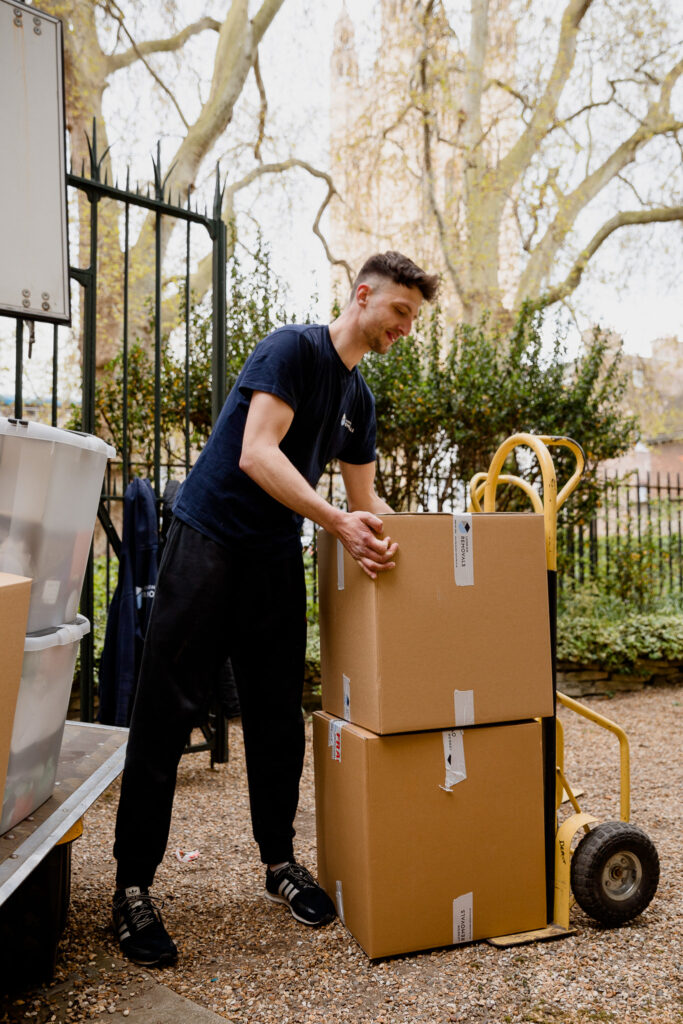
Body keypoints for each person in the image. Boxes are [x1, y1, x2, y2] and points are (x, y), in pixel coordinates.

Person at [111, 251, 439, 967]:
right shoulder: (292, 349)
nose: (404, 330)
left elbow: (366, 505)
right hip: (207, 541)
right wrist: (337, 523)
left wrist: (438, 552)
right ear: (362, 296)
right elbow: (257, 454)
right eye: (400, 313)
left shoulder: (360, 403)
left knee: (275, 719)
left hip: (269, 558)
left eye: (412, 318)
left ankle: (277, 863)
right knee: (165, 717)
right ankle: (131, 887)